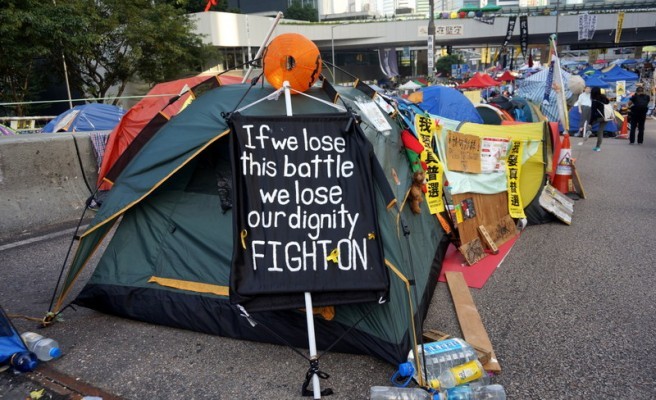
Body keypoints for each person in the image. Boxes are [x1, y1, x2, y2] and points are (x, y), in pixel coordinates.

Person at [589, 86, 610, 152]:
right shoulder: (604, 98)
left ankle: (588, 131)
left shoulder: (594, 101)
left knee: (588, 125)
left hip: (599, 117)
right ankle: (598, 147)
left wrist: (590, 123)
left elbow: (593, 113)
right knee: (600, 131)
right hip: (607, 117)